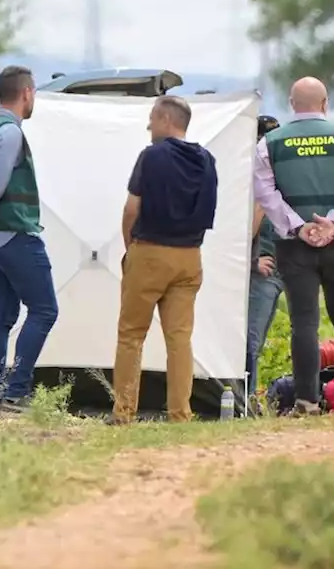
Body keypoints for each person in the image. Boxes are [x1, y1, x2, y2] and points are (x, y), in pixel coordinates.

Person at [253, 77, 334, 415]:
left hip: (295, 246)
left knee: (304, 322)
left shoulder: (270, 143)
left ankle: (307, 401)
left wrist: (299, 226)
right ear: (325, 104)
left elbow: (265, 192)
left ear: (293, 105)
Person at [113, 95, 219, 424]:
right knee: (180, 339)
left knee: (131, 335)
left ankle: (124, 414)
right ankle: (180, 415)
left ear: (166, 120)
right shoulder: (207, 160)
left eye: (152, 118)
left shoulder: (151, 156)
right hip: (190, 258)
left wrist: (131, 249)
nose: (149, 125)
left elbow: (132, 210)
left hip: (149, 253)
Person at [0, 65, 59, 411]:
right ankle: (16, 391)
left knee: (1, 315)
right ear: (26, 93)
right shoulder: (9, 132)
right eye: (33, 93)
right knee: (44, 309)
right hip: (14, 232)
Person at [246, 115, 283, 395]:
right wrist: (251, 262)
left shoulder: (278, 176)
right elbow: (239, 232)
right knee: (251, 342)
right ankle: (243, 400)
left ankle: (249, 398)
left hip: (279, 270)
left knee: (257, 342)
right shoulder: (251, 180)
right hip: (260, 273)